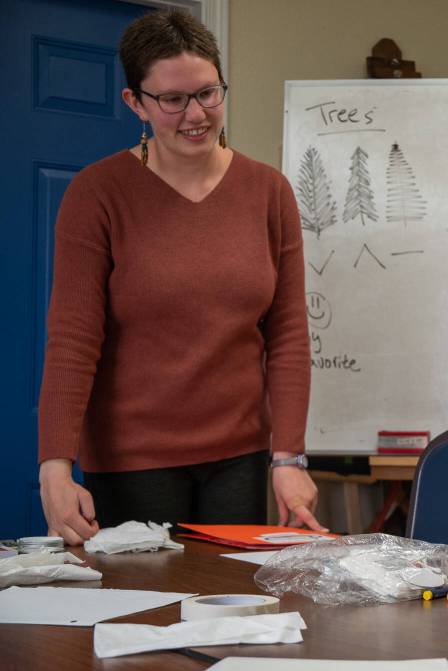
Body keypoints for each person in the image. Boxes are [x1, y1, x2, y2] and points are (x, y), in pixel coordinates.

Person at [37, 9, 325, 544]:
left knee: (231, 617)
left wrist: (287, 455)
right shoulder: (98, 194)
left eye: (208, 93)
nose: (195, 114)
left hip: (240, 459)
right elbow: (74, 339)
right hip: (133, 462)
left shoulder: (268, 191)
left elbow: (286, 335)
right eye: (172, 99)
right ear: (135, 103)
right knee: (146, 614)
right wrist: (55, 464)